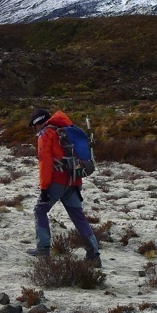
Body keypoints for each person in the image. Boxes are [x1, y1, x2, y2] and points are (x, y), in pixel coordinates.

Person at [26, 108, 102, 268]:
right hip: (74, 180)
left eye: (34, 127)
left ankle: (43, 248)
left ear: (37, 123)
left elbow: (45, 162)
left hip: (57, 181)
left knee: (40, 210)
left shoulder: (46, 134)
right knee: (78, 217)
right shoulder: (66, 130)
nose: (35, 130)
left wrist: (44, 187)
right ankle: (94, 254)